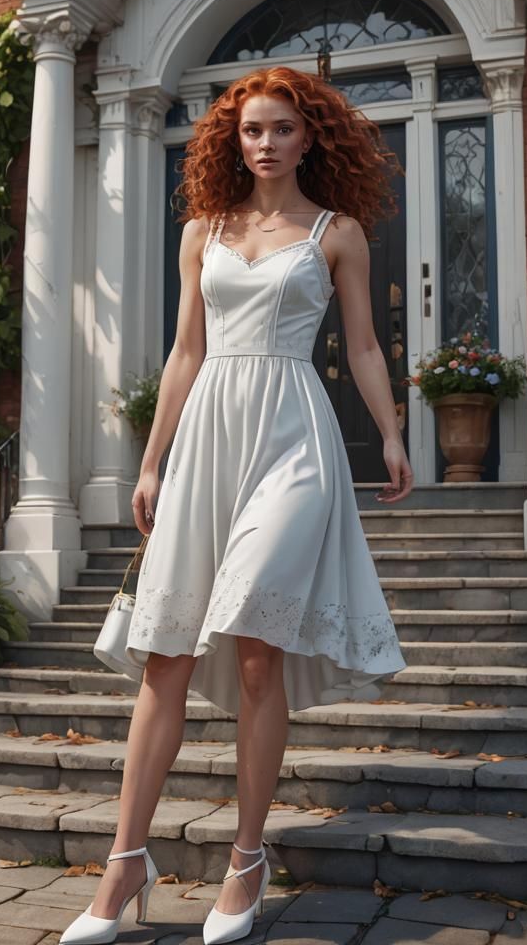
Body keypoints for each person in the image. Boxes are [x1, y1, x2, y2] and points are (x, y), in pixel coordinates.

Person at [61, 65, 414, 945]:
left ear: (309, 137)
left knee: (259, 651)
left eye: (282, 128)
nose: (266, 143)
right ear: (234, 137)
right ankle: (124, 862)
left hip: (296, 439)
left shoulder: (338, 233)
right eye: (253, 129)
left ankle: (246, 859)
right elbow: (185, 352)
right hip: (209, 440)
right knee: (165, 656)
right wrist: (150, 462)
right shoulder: (202, 232)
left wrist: (393, 434)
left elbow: (363, 347)